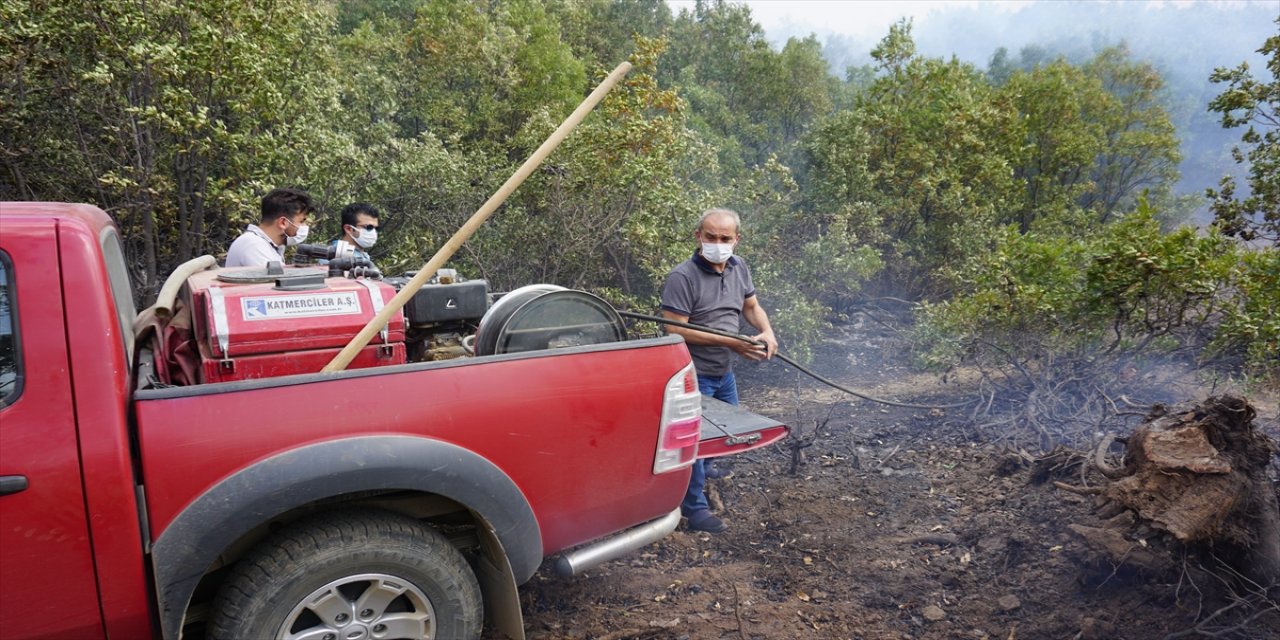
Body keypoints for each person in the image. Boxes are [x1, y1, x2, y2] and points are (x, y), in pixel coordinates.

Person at [660, 208, 778, 534]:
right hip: (691, 374)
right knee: (695, 444)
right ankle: (694, 509)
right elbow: (675, 330)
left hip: (723, 371)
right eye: (710, 237)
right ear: (698, 236)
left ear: (736, 240)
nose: (718, 244)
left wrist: (767, 332)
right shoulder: (682, 277)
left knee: (725, 432)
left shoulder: (739, 267)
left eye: (725, 238)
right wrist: (733, 343)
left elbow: (751, 306)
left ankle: (705, 471)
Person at [225, 188, 316, 268]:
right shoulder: (254, 246)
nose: (304, 227)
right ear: (283, 222)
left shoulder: (266, 245)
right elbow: (276, 281)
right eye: (301, 221)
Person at [331, 202, 381, 267]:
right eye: (369, 227)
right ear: (348, 229)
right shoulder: (334, 254)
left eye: (376, 228)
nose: (373, 232)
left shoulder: (362, 255)